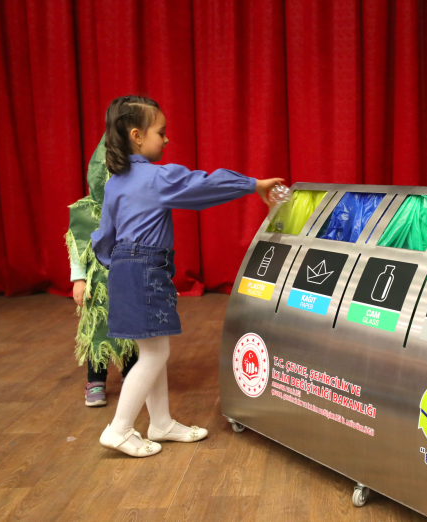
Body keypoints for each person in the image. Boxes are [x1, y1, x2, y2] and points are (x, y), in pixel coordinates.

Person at [92, 95, 282, 457]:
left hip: (123, 268)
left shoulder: (115, 182)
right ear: (136, 136)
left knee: (152, 347)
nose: (166, 139)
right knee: (155, 353)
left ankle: (161, 423)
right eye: (160, 132)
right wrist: (252, 184)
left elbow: (104, 237)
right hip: (145, 268)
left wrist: (118, 268)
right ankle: (119, 429)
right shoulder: (156, 177)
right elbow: (204, 185)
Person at [66, 137, 138, 407]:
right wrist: (78, 280)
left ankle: (134, 374)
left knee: (132, 327)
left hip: (128, 279)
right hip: (97, 286)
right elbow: (78, 248)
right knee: (97, 329)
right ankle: (96, 379)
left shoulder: (131, 208)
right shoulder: (85, 211)